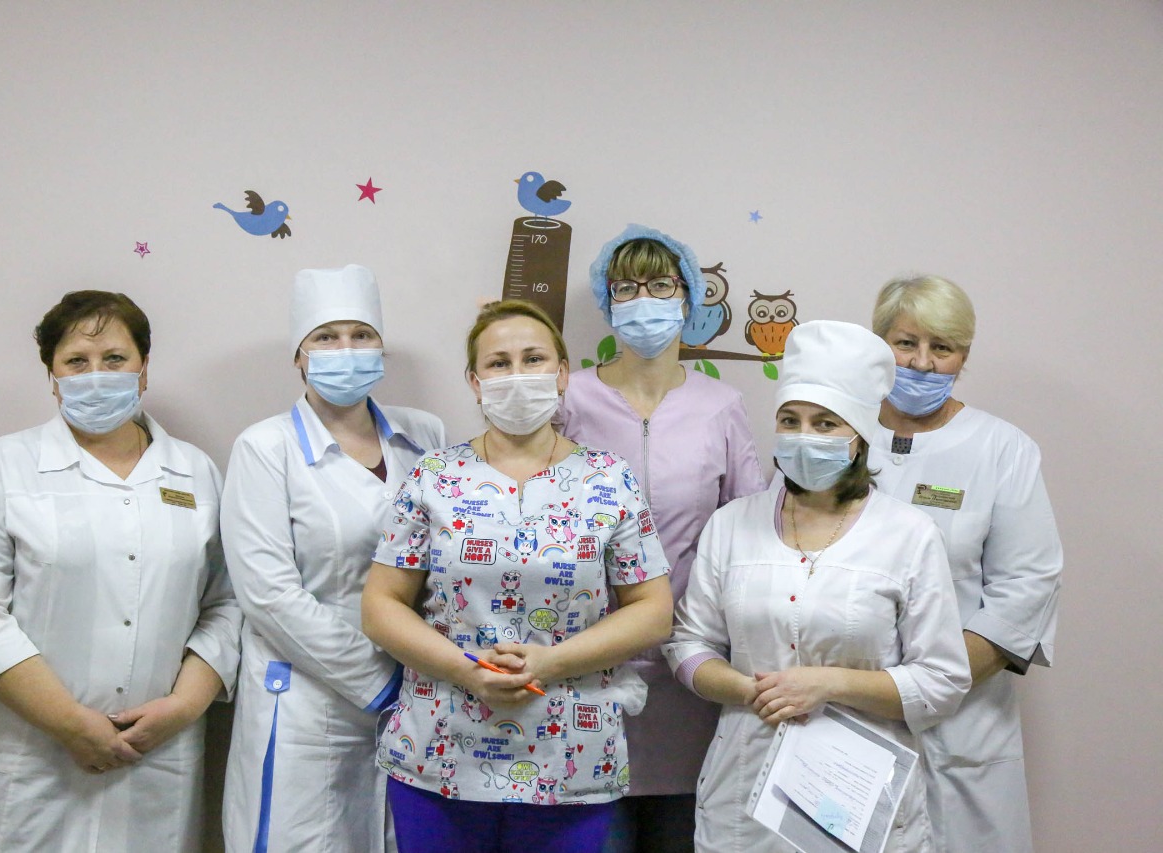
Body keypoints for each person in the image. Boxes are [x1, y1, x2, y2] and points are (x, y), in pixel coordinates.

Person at [0, 291, 241, 852]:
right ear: (53, 377)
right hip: (24, 756)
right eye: (76, 362)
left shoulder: (194, 472)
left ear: (143, 369)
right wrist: (69, 722)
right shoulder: (4, 464)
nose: (96, 376)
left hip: (153, 754)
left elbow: (227, 603)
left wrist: (183, 707)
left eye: (114, 358)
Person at [361, 299, 675, 853]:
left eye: (533, 359)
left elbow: (653, 612)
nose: (517, 375)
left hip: (570, 752)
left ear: (561, 373)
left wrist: (551, 662)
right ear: (475, 382)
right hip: (440, 749)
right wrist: (467, 670)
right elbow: (381, 605)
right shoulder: (435, 477)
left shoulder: (609, 480)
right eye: (498, 363)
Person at [664, 320, 971, 852]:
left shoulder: (908, 534)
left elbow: (942, 680)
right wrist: (749, 691)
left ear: (858, 436)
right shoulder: (732, 524)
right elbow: (687, 646)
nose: (804, 436)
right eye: (791, 420)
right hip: (744, 790)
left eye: (825, 423)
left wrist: (828, 685)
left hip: (860, 794)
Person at [221, 265, 446, 853]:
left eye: (361, 335)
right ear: (299, 355)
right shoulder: (264, 447)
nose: (346, 349)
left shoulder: (425, 435)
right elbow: (269, 595)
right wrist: (385, 681)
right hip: (305, 700)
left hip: (422, 693)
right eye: (326, 337)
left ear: (381, 347)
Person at [557, 224, 764, 852]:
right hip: (585, 662)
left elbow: (749, 533)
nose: (643, 300)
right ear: (608, 301)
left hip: (691, 671)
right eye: (626, 287)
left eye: (660, 285)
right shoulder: (571, 400)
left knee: (680, 833)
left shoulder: (720, 406)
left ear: (688, 296)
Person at [870, 275, 1062, 853]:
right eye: (906, 343)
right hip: (847, 708)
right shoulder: (835, 433)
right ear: (879, 343)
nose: (922, 363)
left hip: (961, 716)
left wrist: (930, 685)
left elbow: (1026, 587)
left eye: (943, 347)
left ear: (965, 355)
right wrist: (866, 691)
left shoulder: (1002, 449)